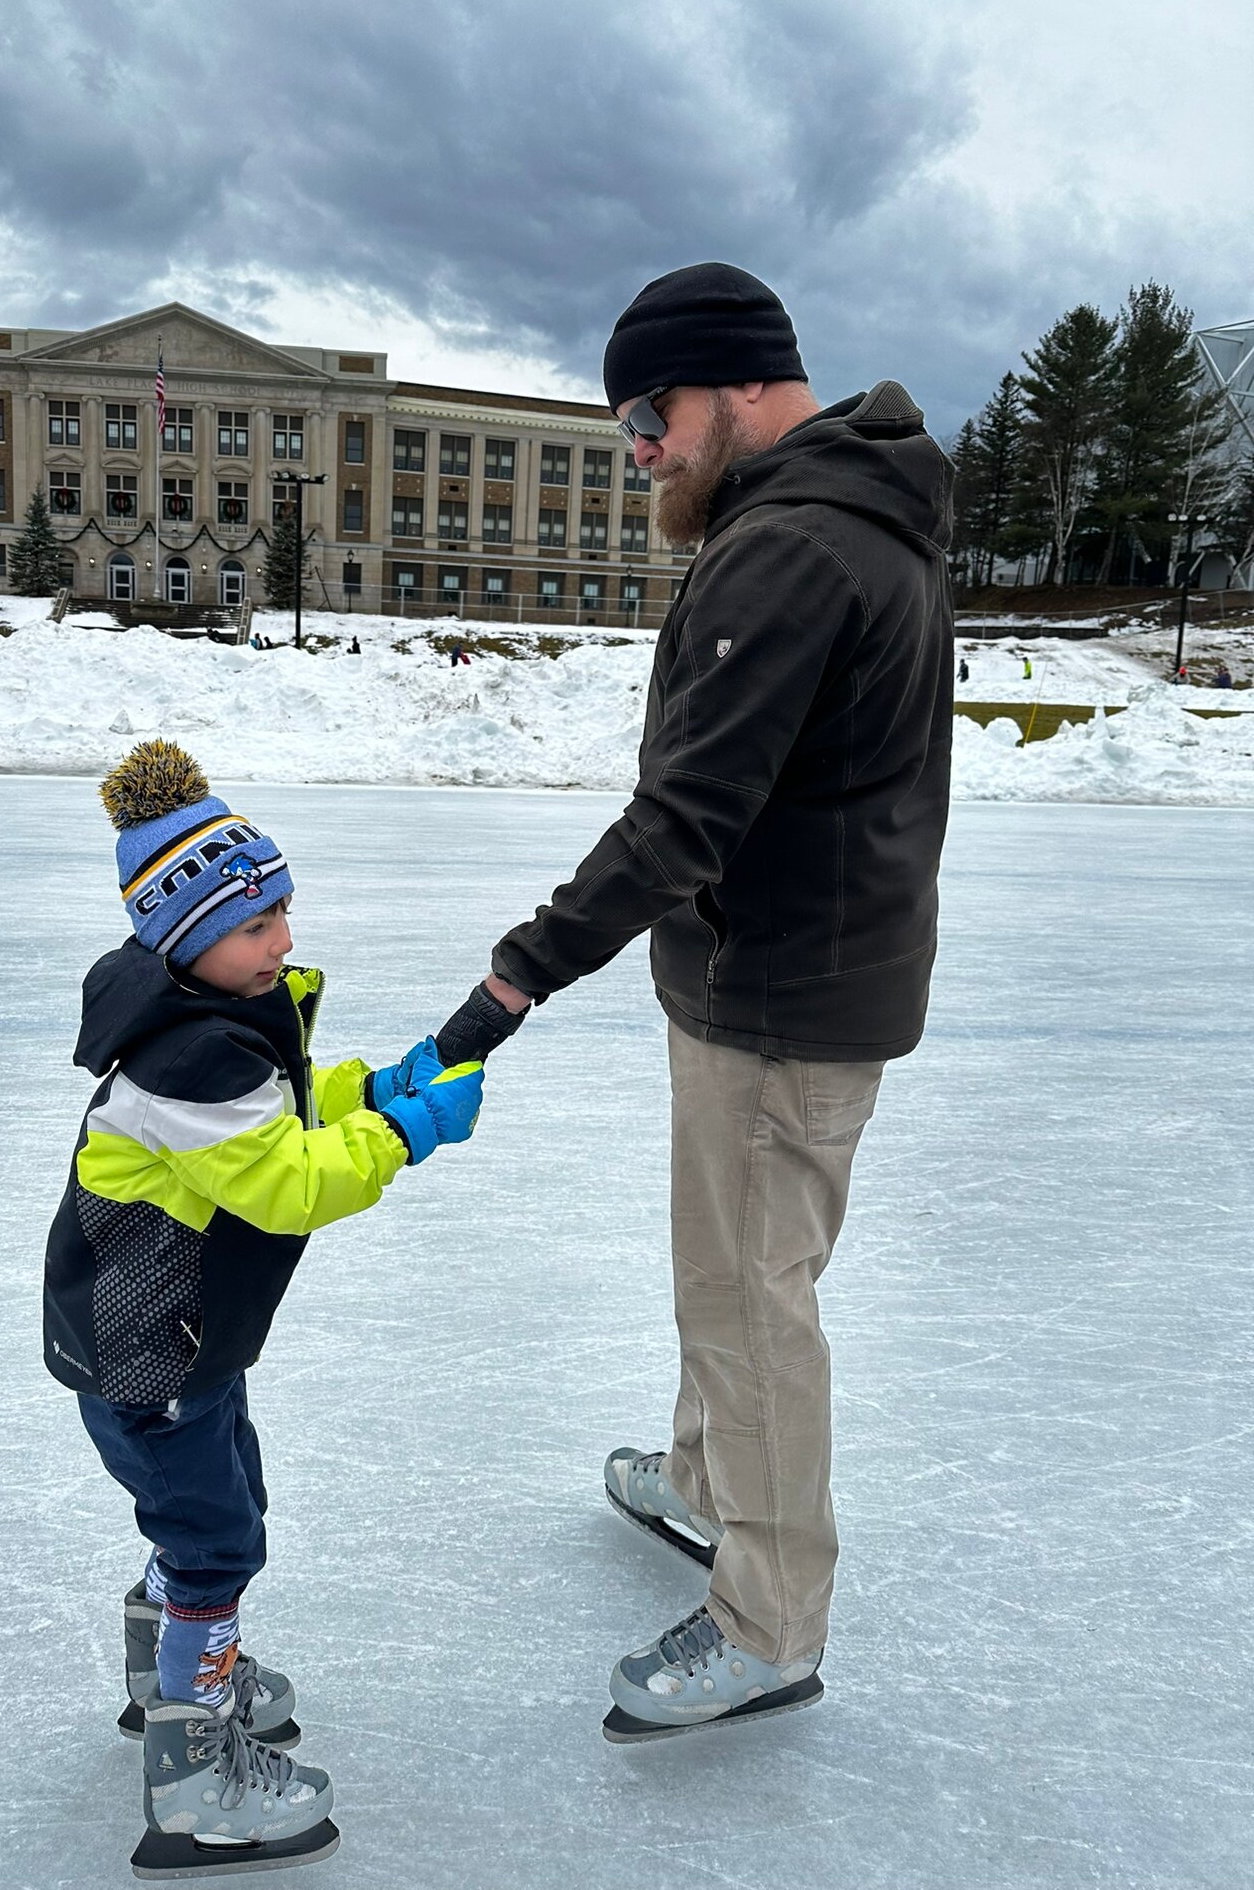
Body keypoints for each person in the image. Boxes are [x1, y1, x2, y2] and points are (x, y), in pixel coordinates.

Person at [435, 262, 953, 1743]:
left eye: (649, 416)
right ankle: (710, 1486)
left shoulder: (791, 548)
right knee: (737, 1272)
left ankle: (770, 1622)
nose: (641, 452)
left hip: (778, 994)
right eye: (624, 429)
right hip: (802, 969)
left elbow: (685, 818)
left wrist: (521, 969)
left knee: (747, 1300)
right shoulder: (856, 519)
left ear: (735, 386)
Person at [43, 739, 484, 1870]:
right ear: (187, 939)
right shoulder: (186, 1065)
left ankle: (169, 1671)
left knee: (213, 1505)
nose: (283, 937)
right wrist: (405, 1134)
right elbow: (287, 1181)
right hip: (153, 1355)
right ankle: (194, 1776)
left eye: (283, 908)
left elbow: (282, 1103)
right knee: (215, 1538)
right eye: (257, 925)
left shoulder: (213, 1027)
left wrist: (372, 1086)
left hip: (176, 1344)